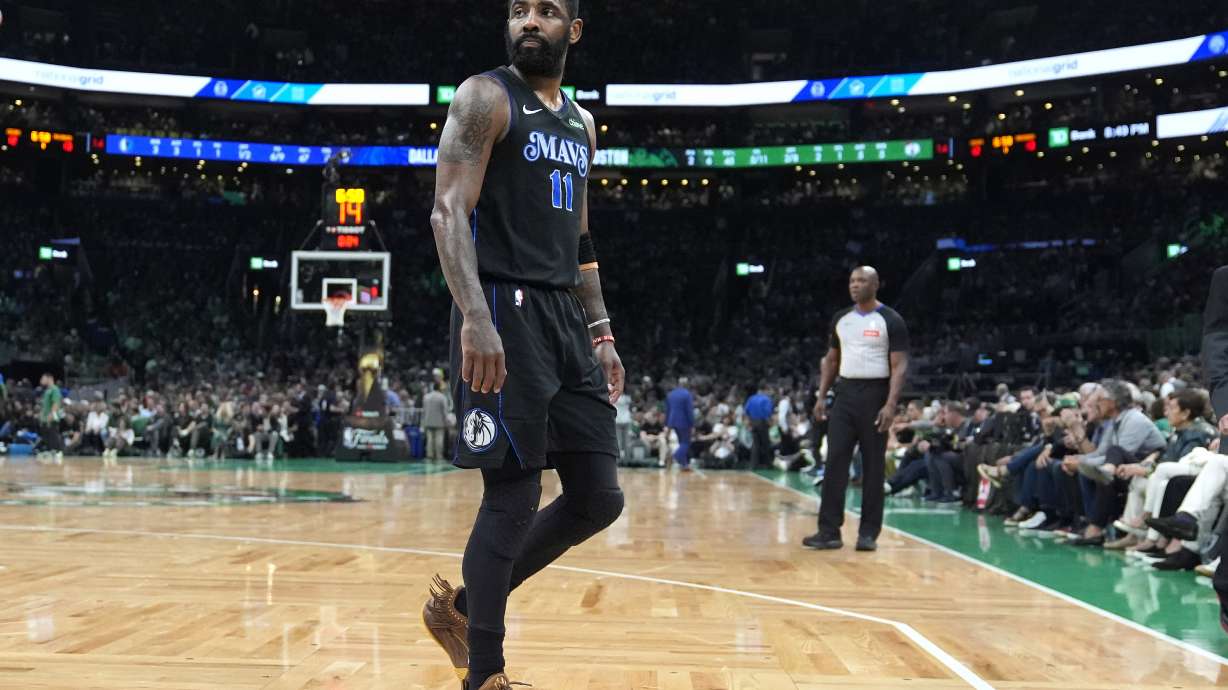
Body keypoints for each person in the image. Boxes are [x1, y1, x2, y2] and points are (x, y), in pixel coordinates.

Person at [422, 3, 626, 688]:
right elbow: (449, 208)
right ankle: (486, 672)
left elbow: (583, 241)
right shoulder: (485, 97)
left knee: (600, 498)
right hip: (500, 309)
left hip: (565, 316)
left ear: (574, 29)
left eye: (547, 11)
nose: (529, 21)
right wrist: (473, 315)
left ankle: (467, 609)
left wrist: (601, 331)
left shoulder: (581, 123)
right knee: (512, 492)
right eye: (518, 10)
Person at [805, 266, 910, 552]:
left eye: (861, 280)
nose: (855, 285)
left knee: (873, 467)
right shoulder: (841, 319)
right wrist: (821, 396)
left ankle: (867, 534)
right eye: (852, 280)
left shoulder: (890, 319)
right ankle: (828, 532)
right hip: (845, 393)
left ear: (875, 285)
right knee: (835, 462)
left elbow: (899, 365)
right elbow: (831, 360)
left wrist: (890, 404)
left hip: (876, 394)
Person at [665, 377, 695, 471]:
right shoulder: (687, 394)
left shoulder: (670, 394)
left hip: (672, 421)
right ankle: (675, 456)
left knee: (681, 442)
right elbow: (689, 411)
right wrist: (692, 424)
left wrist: (667, 424)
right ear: (686, 384)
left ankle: (684, 464)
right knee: (685, 443)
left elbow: (668, 411)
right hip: (684, 421)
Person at [37, 373, 64, 464]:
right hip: (45, 417)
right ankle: (50, 451)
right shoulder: (47, 391)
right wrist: (41, 415)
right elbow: (44, 405)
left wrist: (52, 414)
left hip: (52, 417)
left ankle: (58, 451)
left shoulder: (54, 389)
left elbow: (56, 403)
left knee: (53, 434)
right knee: (46, 435)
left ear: (49, 378)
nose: (41, 380)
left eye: (43, 378)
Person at [744, 386, 774, 468]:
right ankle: (768, 464)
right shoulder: (767, 399)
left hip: (753, 422)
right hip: (762, 422)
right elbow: (768, 413)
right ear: (765, 390)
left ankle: (753, 464)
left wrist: (749, 423)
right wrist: (770, 423)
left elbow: (746, 412)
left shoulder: (751, 398)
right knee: (766, 443)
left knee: (755, 444)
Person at [423, 382, 450, 461]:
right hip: (439, 421)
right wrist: (446, 421)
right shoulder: (442, 397)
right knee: (439, 439)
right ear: (439, 388)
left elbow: (424, 410)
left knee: (429, 439)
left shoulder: (426, 397)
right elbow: (445, 411)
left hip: (428, 420)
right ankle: (439, 456)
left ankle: (429, 456)